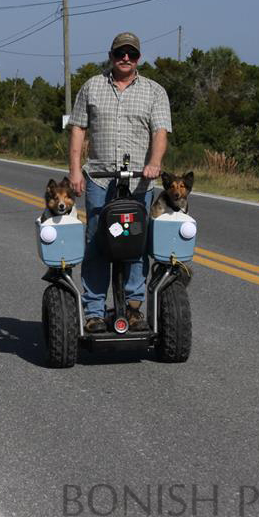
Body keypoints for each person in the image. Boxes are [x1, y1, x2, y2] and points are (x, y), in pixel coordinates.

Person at [67, 32, 172, 332]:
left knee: (136, 244)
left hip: (140, 182)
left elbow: (160, 132)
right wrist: (75, 170)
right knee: (97, 242)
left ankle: (135, 309)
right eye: (120, 53)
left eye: (132, 54)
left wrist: (154, 163)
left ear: (138, 58)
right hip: (100, 178)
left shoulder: (154, 91)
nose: (126, 58)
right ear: (111, 55)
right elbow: (77, 129)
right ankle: (95, 312)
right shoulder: (92, 86)